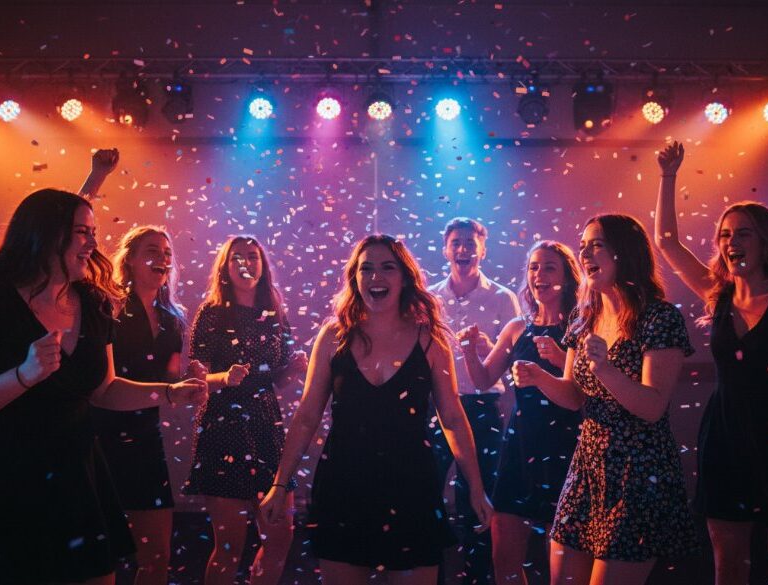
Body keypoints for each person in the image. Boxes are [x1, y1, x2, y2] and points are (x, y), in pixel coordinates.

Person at [0, 188, 207, 585]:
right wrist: (23, 376)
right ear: (46, 234)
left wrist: (169, 392)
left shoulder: (94, 302)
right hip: (4, 478)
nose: (93, 243)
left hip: (76, 473)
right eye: (82, 231)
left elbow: (105, 388)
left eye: (93, 231)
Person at [259, 234, 493, 585]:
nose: (375, 277)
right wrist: (280, 483)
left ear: (404, 277)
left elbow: (454, 419)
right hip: (344, 484)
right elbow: (307, 416)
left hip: (411, 485)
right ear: (354, 277)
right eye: (366, 269)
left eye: (387, 267)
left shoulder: (430, 339)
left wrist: (475, 486)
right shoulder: (333, 336)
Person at [512, 214, 697, 585]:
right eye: (583, 246)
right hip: (588, 467)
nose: (585, 253)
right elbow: (572, 396)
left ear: (624, 252)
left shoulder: (658, 318)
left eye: (596, 244)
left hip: (639, 472)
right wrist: (539, 379)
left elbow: (652, 406)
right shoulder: (585, 317)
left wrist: (605, 368)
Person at [654, 142, 768, 585]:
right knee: (727, 562)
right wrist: (668, 176)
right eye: (724, 234)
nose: (730, 242)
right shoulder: (716, 294)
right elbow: (666, 242)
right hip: (724, 431)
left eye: (742, 233)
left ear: (766, 242)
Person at [185, 235, 308, 585]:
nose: (246, 263)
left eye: (252, 256)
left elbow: (278, 379)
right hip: (224, 428)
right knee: (229, 546)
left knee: (281, 534)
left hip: (266, 428)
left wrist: (292, 370)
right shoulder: (212, 312)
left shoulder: (275, 312)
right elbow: (193, 381)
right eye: (237, 257)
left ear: (262, 265)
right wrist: (224, 377)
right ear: (225, 267)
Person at [458, 240, 582, 584]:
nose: (538, 275)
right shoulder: (517, 327)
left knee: (561, 564)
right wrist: (469, 351)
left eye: (548, 267)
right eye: (533, 267)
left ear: (569, 277)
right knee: (505, 559)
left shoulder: (581, 327)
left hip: (566, 446)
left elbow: (582, 395)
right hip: (520, 444)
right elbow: (484, 379)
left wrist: (553, 364)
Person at [91, 225, 204, 585]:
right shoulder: (106, 307)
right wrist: (171, 390)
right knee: (99, 555)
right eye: (152, 251)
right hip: (98, 435)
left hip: (145, 437)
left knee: (157, 556)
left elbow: (170, 379)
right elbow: (99, 383)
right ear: (131, 260)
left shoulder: (173, 318)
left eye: (168, 253)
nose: (163, 259)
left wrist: (194, 379)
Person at [428, 217, 519, 584]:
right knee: (426, 493)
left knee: (477, 500)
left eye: (470, 243)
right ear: (445, 249)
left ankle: (477, 577)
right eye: (457, 243)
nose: (463, 249)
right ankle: (427, 573)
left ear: (483, 248)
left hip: (482, 409)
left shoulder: (501, 298)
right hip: (437, 408)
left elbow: (514, 361)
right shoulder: (430, 298)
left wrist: (486, 351)